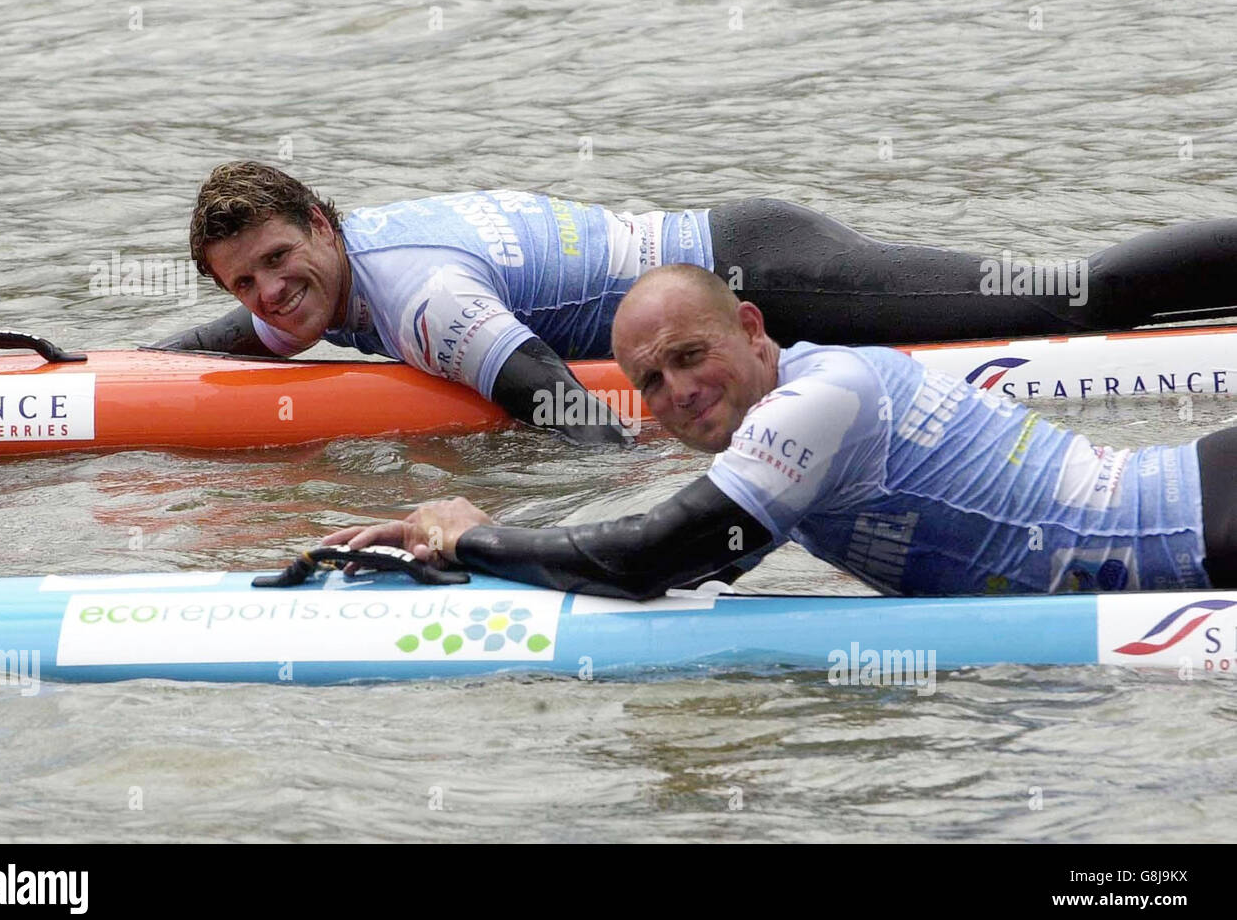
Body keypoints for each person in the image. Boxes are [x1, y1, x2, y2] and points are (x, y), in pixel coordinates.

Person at [162, 160, 1237, 445]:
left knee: (1063, 301)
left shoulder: (422, 299)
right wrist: (95, 360)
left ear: (319, 218)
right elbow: (249, 332)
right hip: (728, 264)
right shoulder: (326, 267)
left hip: (754, 277)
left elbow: (561, 407)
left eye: (277, 261)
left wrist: (631, 498)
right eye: (243, 280)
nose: (269, 295)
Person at [323, 264, 1237, 598]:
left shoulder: (814, 404)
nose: (678, 391)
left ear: (753, 329)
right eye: (651, 380)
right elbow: (697, 557)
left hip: (1213, 527)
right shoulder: (789, 415)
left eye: (692, 355)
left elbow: (646, 558)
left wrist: (470, 535)